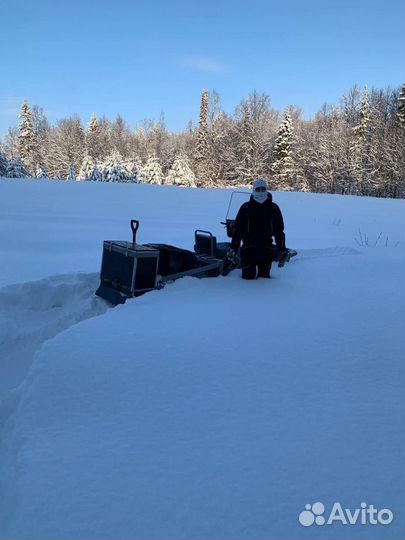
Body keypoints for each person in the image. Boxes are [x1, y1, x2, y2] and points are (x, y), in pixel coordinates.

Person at [230, 178, 286, 279]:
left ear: (267, 190)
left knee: (264, 279)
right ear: (253, 190)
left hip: (266, 249)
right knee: (247, 280)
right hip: (248, 249)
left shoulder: (273, 208)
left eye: (263, 189)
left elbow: (279, 231)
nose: (260, 192)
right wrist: (234, 247)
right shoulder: (246, 207)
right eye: (258, 189)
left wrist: (281, 249)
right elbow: (238, 229)